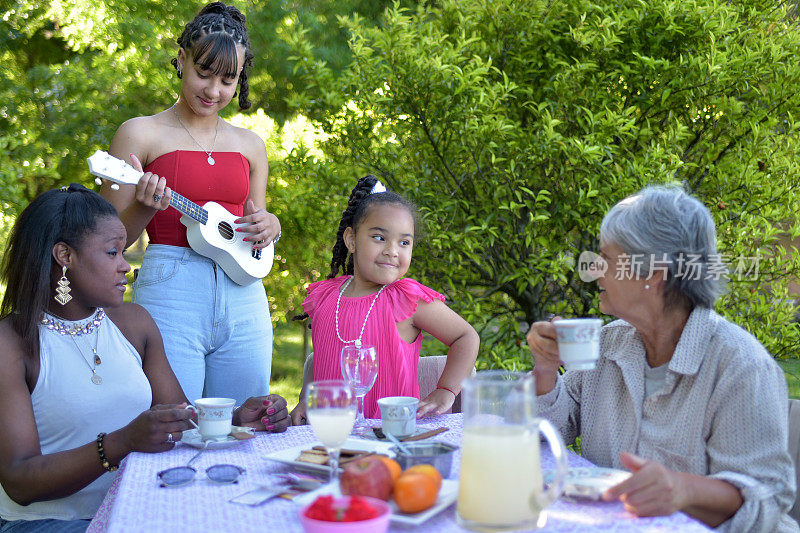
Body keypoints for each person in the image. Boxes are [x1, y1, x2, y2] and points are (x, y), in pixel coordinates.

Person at [0, 185, 290, 532]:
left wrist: (236, 418)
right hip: (52, 523)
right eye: (112, 253)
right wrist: (121, 443)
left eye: (123, 252)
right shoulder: (12, 343)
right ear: (65, 256)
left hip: (141, 506)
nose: (125, 266)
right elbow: (19, 481)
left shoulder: (134, 324)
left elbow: (182, 420)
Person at [527, 185, 797, 532]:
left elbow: (767, 500)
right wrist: (546, 369)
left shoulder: (742, 367)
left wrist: (684, 490)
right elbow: (546, 434)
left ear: (653, 274)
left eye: (606, 259)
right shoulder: (609, 343)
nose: (594, 270)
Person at [101, 1, 280, 406]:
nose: (214, 91)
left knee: (245, 423)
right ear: (182, 60)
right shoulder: (138, 134)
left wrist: (271, 226)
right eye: (204, 73)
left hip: (245, 295)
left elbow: (256, 228)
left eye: (228, 80)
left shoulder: (251, 145)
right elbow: (108, 242)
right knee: (170, 425)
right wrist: (145, 206)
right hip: (171, 290)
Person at [290, 175, 480, 425]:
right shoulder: (325, 296)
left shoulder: (407, 299)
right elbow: (322, 360)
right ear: (351, 240)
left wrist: (446, 390)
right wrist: (307, 399)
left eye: (404, 242)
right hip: (329, 436)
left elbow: (466, 337)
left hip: (391, 436)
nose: (392, 250)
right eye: (379, 237)